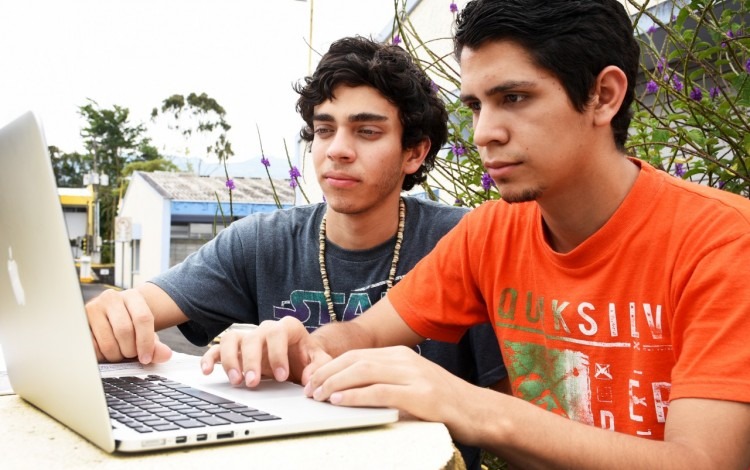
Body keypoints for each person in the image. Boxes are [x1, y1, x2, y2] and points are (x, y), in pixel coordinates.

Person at [202, 1, 750, 468]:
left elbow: (702, 461)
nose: (485, 133)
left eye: (514, 98)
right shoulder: (490, 233)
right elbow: (364, 335)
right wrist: (299, 345)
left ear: (604, 96)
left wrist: (471, 407)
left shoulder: (724, 241)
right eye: (476, 105)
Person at [85, 36, 506, 469]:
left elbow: (512, 412)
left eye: (367, 131)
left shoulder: (463, 240)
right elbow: (139, 309)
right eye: (324, 129)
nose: (337, 149)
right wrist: (111, 317)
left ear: (414, 152)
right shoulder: (261, 241)